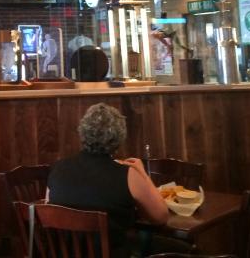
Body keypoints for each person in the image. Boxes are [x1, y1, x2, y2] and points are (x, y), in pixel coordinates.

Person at [47, 103, 168, 257]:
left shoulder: (58, 168)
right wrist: (142, 173)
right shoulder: (129, 175)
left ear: (82, 132)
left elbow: (49, 208)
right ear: (119, 138)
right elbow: (161, 217)